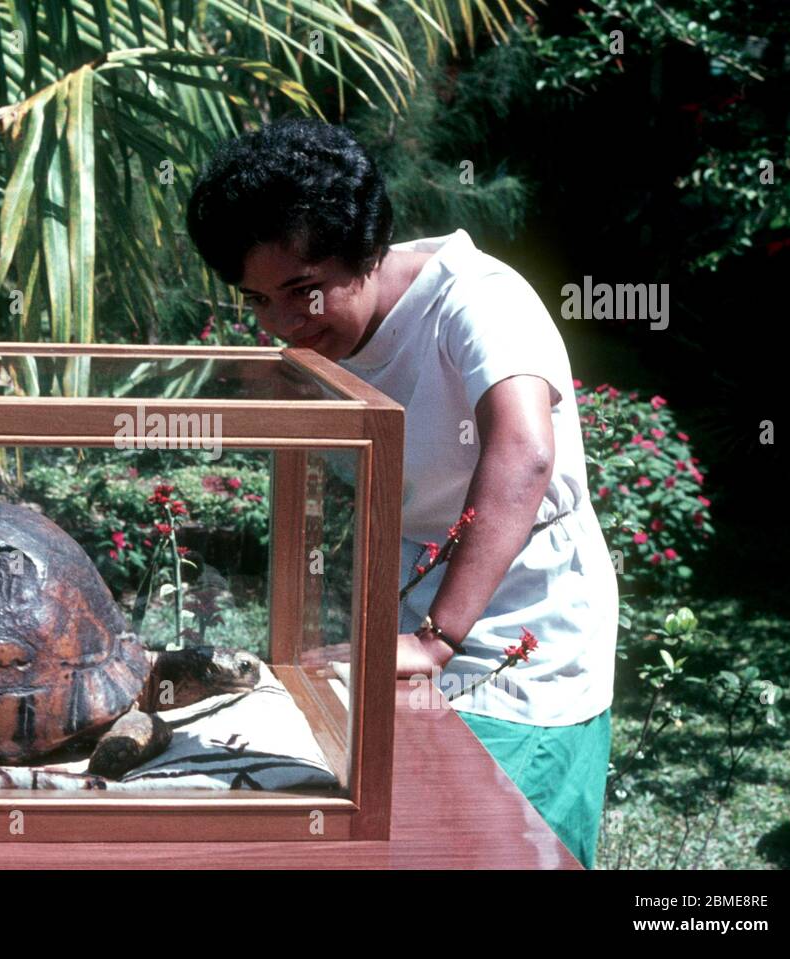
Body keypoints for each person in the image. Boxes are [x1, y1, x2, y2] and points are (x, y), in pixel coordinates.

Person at [186, 118, 618, 868]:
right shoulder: (323, 342)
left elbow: (524, 452)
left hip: (525, 644)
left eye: (304, 292)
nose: (285, 323)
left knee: (506, 847)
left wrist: (436, 638)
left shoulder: (478, 301)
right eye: (257, 300)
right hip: (407, 639)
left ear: (367, 252)